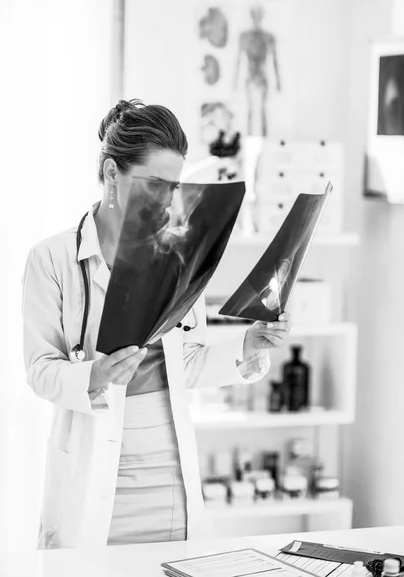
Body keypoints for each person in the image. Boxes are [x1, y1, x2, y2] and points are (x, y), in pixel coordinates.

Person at [22, 98, 291, 550]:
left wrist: (248, 344)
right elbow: (40, 370)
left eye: (174, 186)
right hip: (93, 474)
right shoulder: (52, 259)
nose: (167, 200)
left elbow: (185, 364)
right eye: (154, 183)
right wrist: (94, 375)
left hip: (169, 472)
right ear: (111, 173)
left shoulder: (179, 254)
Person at [234, 5, 281, 137]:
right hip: (250, 76)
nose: (256, 18)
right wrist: (235, 81)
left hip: (262, 76)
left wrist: (278, 81)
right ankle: (249, 141)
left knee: (262, 111)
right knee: (250, 110)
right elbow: (239, 59)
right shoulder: (244, 37)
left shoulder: (268, 37)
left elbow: (274, 59)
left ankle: (264, 142)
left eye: (258, 15)